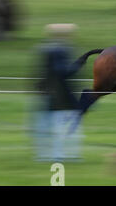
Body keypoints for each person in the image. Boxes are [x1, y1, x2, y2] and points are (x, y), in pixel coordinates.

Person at [31, 24, 83, 162]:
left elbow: (43, 72)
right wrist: (77, 65)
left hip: (49, 92)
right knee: (65, 126)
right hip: (61, 94)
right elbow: (62, 72)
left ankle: (45, 154)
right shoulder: (60, 50)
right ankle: (60, 154)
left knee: (46, 125)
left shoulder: (45, 48)